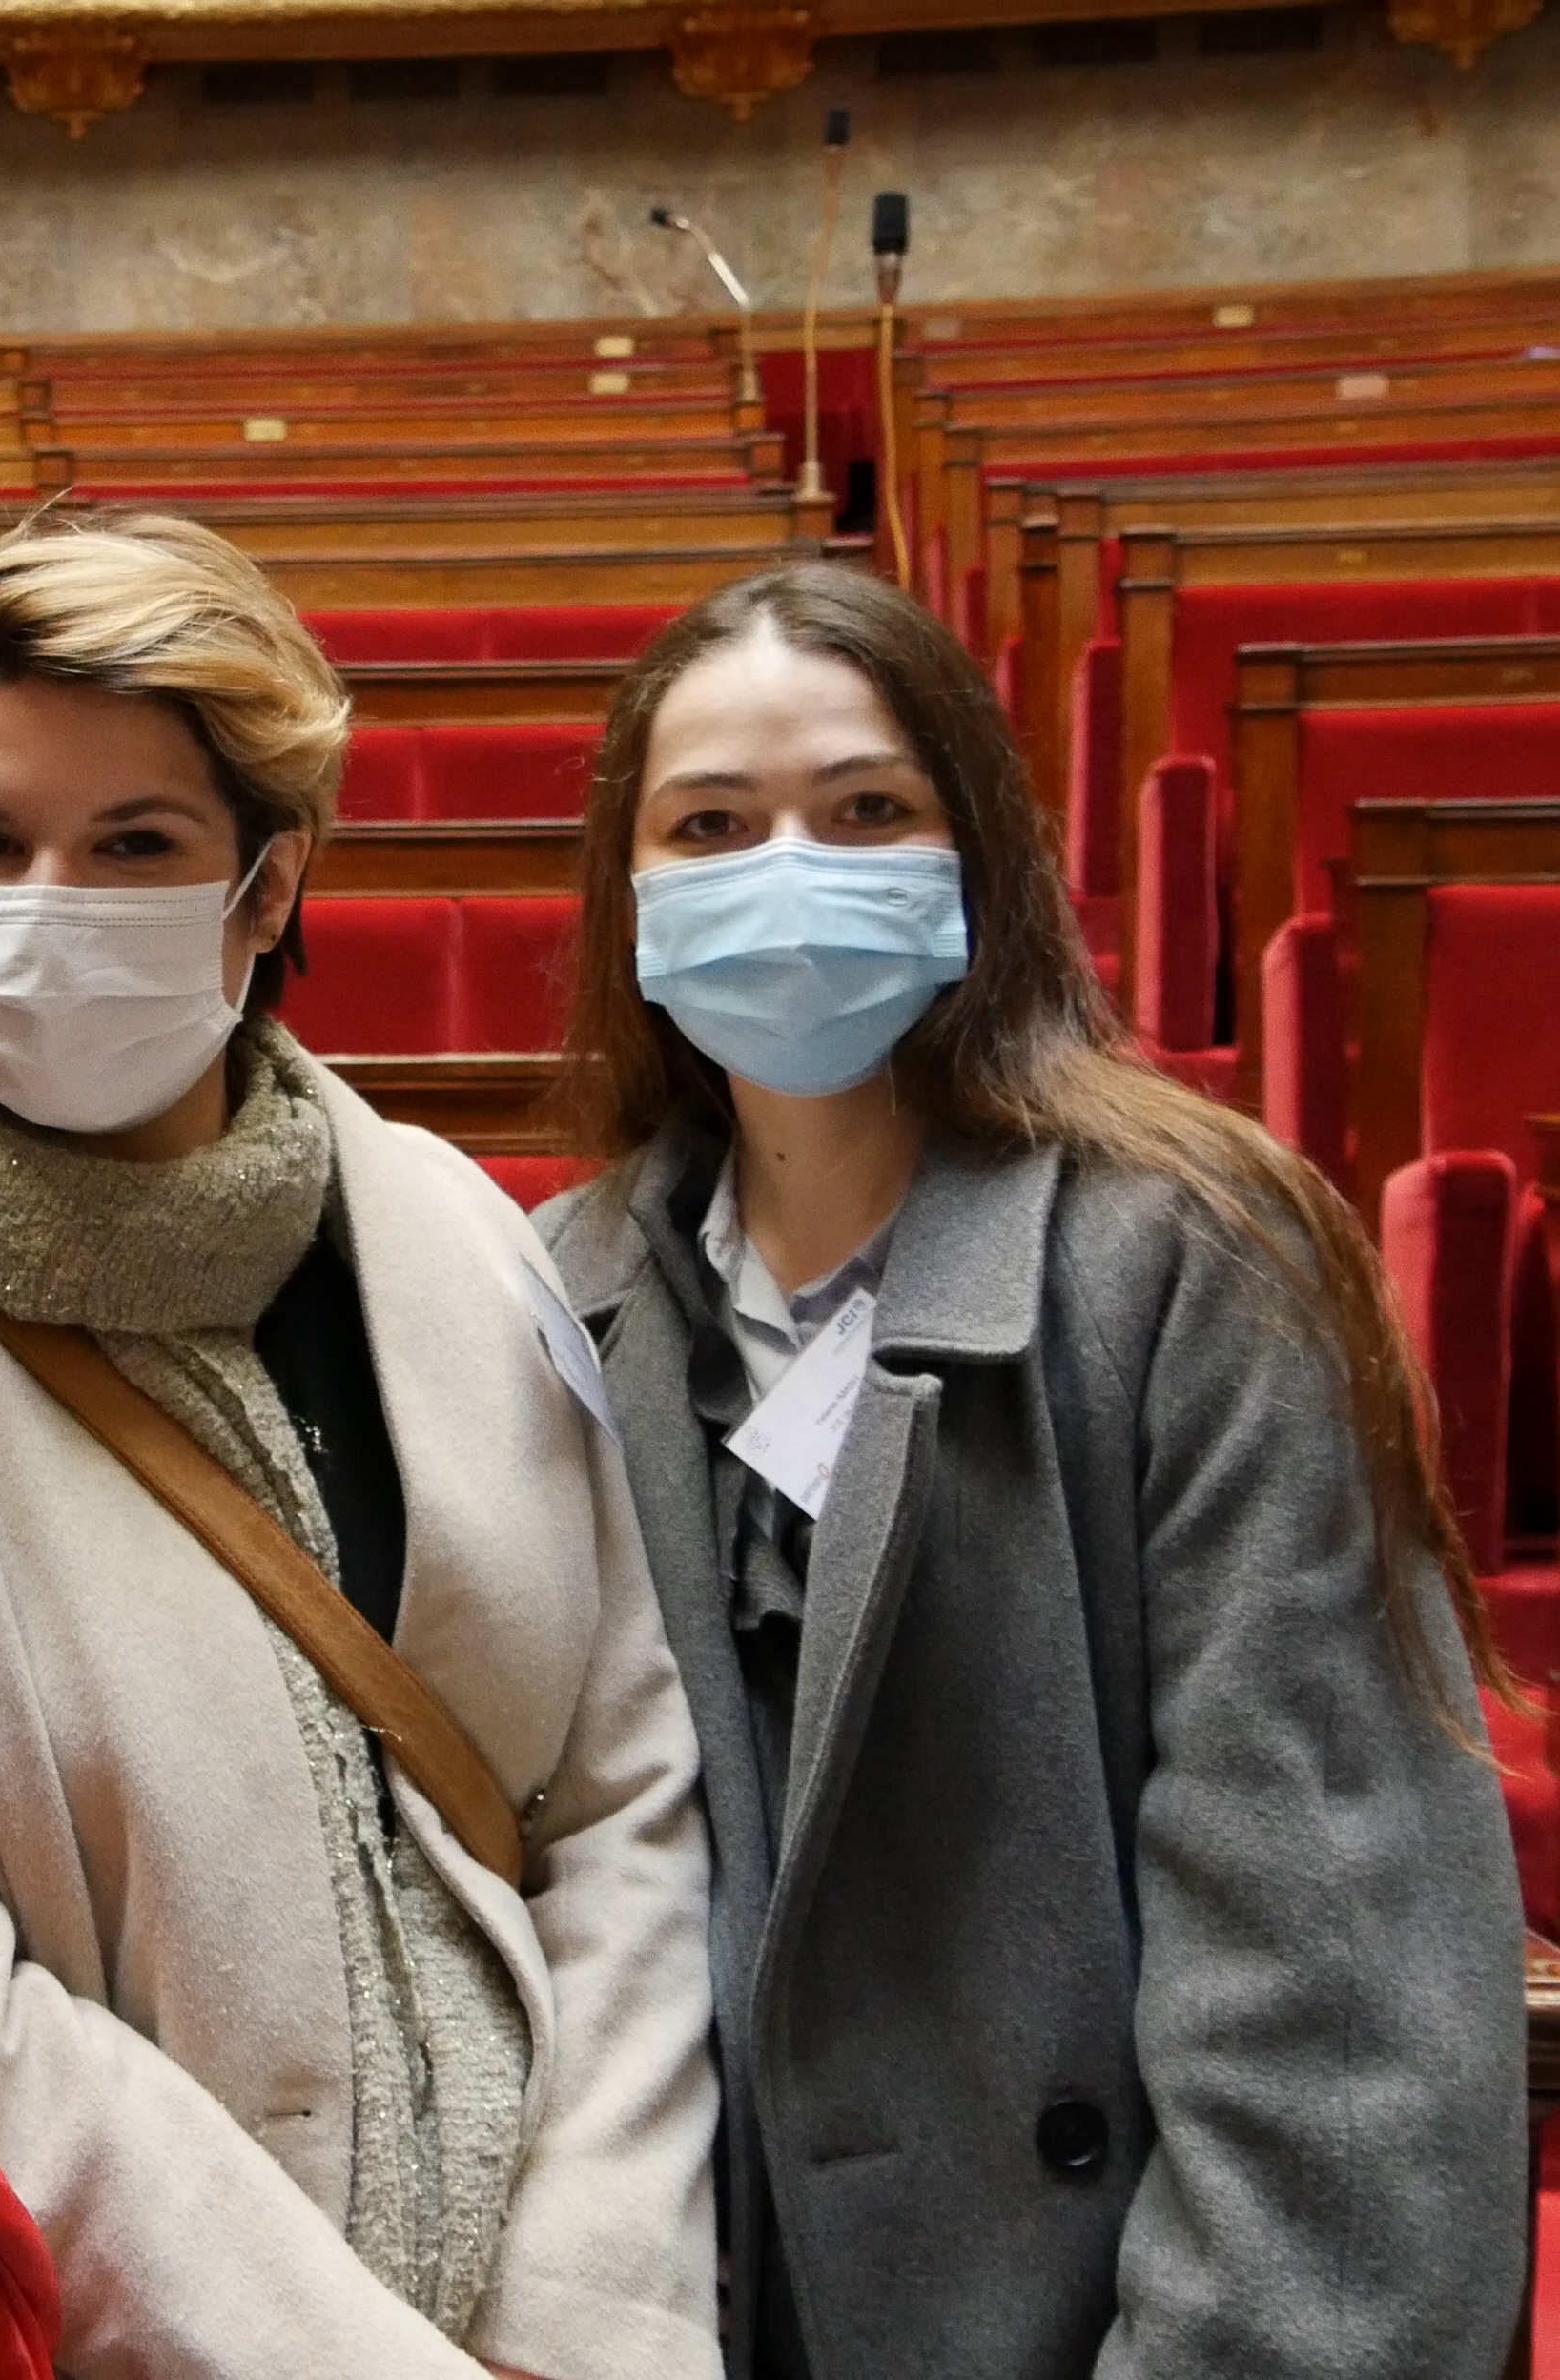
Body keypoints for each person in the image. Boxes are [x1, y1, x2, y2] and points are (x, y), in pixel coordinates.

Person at [0, 515, 723, 2380]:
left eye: (135, 844)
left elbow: (622, 1796)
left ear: (265, 885)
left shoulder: (454, 1235)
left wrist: (584, 2323)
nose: (50, 896)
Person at [531, 561, 1527, 2379]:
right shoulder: (554, 1296)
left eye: (866, 811)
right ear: (634, 901)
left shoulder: (1197, 1261)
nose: (788, 869)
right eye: (711, 825)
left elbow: (1327, 1996)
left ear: (976, 855)